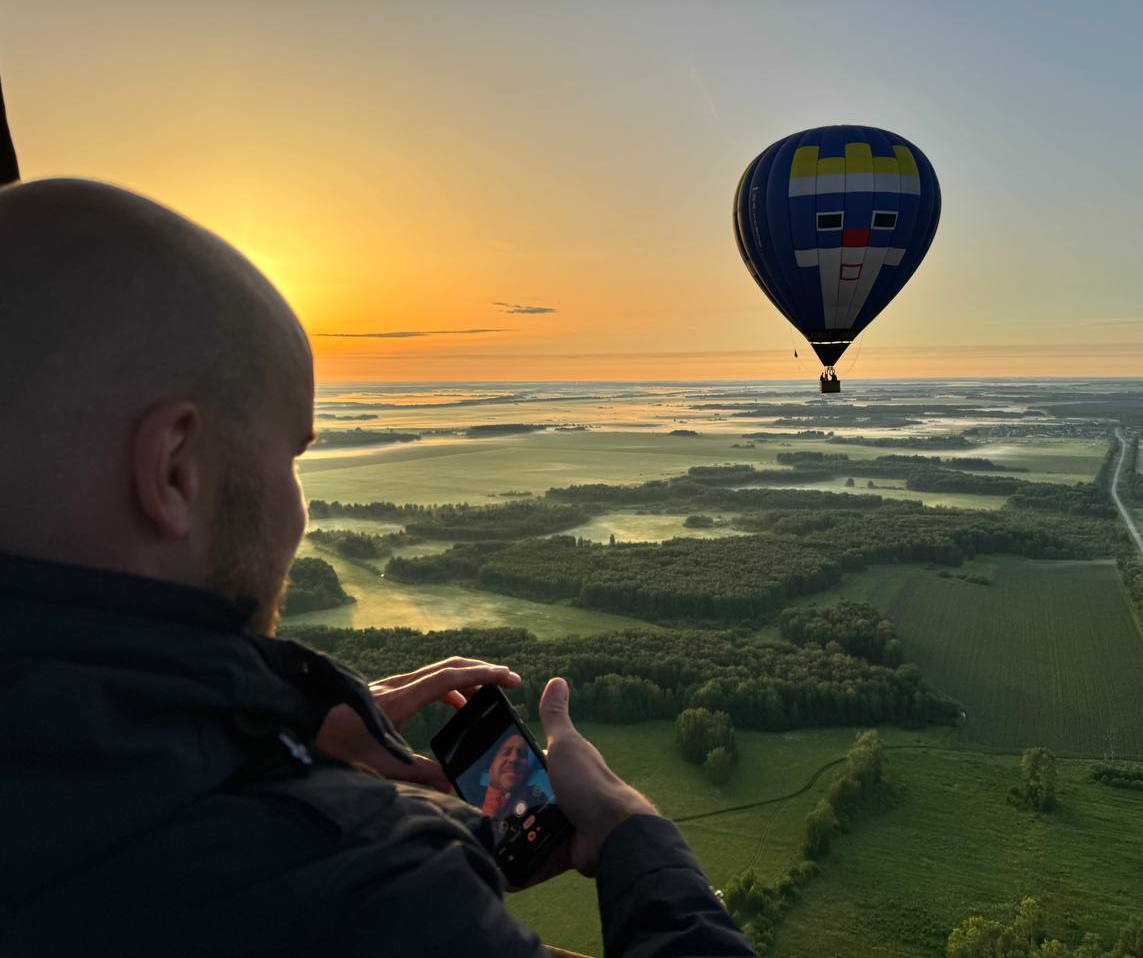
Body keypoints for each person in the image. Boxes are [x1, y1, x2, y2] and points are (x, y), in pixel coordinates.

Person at [0, 178, 756, 958]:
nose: (300, 514)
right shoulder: (362, 886)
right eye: (292, 456)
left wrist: (279, 739)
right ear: (175, 470)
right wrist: (634, 832)